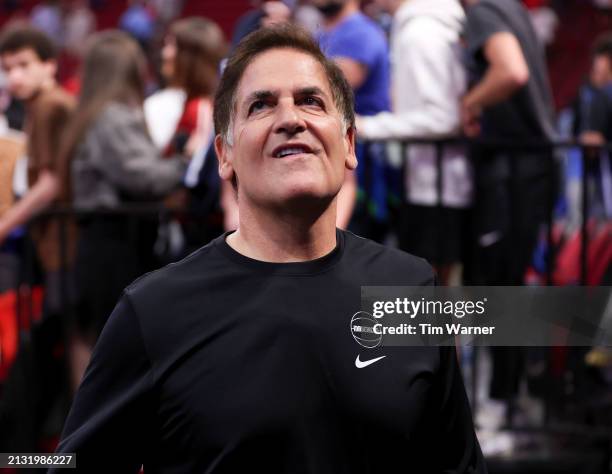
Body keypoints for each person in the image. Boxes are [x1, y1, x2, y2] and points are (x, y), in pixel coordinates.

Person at [52, 26, 486, 473]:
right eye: (261, 105)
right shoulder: (153, 311)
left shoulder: (412, 288)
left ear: (349, 145)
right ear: (224, 156)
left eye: (311, 101)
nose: (291, 118)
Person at [57, 30, 187, 343]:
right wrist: (189, 161)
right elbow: (145, 177)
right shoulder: (111, 117)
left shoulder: (95, 115)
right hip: (116, 246)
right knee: (124, 349)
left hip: (109, 245)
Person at [462, 0, 557, 414]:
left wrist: (470, 103)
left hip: (514, 171)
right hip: (529, 167)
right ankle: (511, 402)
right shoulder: (510, 9)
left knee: (500, 291)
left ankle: (502, 407)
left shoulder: (484, 11)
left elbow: (511, 71)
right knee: (510, 288)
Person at [355, 0, 471, 283]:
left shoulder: (421, 32)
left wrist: (370, 126)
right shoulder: (422, 27)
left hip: (436, 185)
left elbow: (443, 117)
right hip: (430, 181)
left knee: (433, 293)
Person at [0, 24, 76, 314]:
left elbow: (50, 184)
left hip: (64, 237)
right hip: (56, 236)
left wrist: (4, 226)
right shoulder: (41, 105)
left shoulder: (49, 106)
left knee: (73, 335)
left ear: (49, 65)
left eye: (24, 65)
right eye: (8, 69)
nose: (15, 76)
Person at [144, 17, 227, 251]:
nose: (165, 53)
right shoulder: (199, 104)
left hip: (195, 232)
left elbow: (190, 175)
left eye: (171, 46)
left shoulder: (199, 109)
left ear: (189, 57)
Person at [315, 0, 386, 233]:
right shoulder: (322, 33)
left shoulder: (360, 33)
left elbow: (324, 91)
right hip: (331, 157)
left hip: (359, 164)